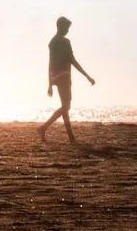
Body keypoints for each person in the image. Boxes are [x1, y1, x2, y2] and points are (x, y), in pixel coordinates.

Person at [39, 16, 95, 144]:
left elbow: (50, 64)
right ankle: (44, 127)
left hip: (56, 78)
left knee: (65, 107)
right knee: (66, 106)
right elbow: (73, 61)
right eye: (67, 28)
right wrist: (87, 76)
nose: (68, 31)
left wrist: (50, 83)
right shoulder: (65, 42)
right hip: (64, 76)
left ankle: (70, 137)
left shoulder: (52, 42)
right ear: (60, 26)